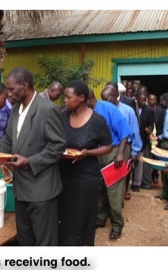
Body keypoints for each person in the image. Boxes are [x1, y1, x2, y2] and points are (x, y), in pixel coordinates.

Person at [0, 67, 66, 246]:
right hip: (21, 188)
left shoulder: (47, 109)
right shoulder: (15, 110)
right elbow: (8, 140)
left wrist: (30, 162)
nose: (8, 93)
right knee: (25, 239)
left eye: (11, 88)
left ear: (24, 86)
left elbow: (58, 146)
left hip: (42, 190)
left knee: (44, 242)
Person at [58, 80, 112, 246]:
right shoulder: (63, 116)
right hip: (64, 176)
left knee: (83, 217)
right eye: (64, 97)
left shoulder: (97, 121)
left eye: (69, 97)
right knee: (65, 218)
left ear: (81, 98)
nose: (65, 100)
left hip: (86, 178)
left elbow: (108, 146)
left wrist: (88, 153)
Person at [87, 89, 132, 240]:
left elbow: (125, 132)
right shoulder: (87, 112)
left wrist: (120, 153)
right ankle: (100, 219)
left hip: (113, 150)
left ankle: (117, 224)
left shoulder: (108, 108)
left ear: (88, 99)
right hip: (97, 152)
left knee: (112, 190)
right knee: (98, 187)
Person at [101, 85, 142, 200]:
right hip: (108, 146)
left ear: (116, 96)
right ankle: (109, 204)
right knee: (107, 176)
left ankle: (118, 203)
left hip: (124, 147)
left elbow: (134, 131)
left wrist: (135, 151)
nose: (105, 102)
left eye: (107, 98)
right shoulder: (103, 109)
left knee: (119, 176)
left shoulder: (128, 110)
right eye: (103, 99)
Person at [132, 90, 154, 191]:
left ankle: (137, 183)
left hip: (142, 139)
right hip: (131, 139)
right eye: (141, 101)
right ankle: (129, 183)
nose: (143, 102)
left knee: (139, 163)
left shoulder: (149, 110)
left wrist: (149, 129)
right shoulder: (131, 108)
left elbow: (151, 124)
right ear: (136, 99)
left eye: (144, 101)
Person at [154, 93, 168, 209]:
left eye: (161, 101)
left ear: (166, 100)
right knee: (163, 169)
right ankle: (165, 194)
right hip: (164, 141)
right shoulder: (165, 112)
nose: (160, 103)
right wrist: (158, 138)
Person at [148, 93, 166, 183]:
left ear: (156, 101)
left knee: (156, 157)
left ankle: (155, 174)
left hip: (157, 138)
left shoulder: (161, 110)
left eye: (154, 99)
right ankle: (146, 176)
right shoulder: (145, 109)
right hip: (147, 138)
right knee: (148, 157)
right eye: (150, 99)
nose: (152, 101)